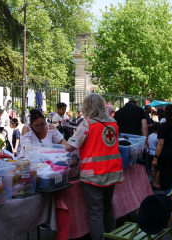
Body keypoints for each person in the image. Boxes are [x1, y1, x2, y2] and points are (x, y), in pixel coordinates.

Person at [65, 93, 123, 240]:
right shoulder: (113, 122)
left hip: (94, 173)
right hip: (112, 170)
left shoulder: (87, 124)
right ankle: (112, 237)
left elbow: (69, 147)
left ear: (87, 107)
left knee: (95, 212)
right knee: (108, 207)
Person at [152, 105, 172, 191]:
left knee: (165, 177)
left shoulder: (162, 127)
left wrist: (155, 158)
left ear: (165, 113)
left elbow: (160, 144)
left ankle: (167, 195)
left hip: (165, 155)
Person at [148, 122, 160, 189]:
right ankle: (157, 183)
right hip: (156, 154)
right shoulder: (158, 137)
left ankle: (154, 182)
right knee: (159, 169)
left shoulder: (150, 136)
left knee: (153, 168)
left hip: (150, 153)